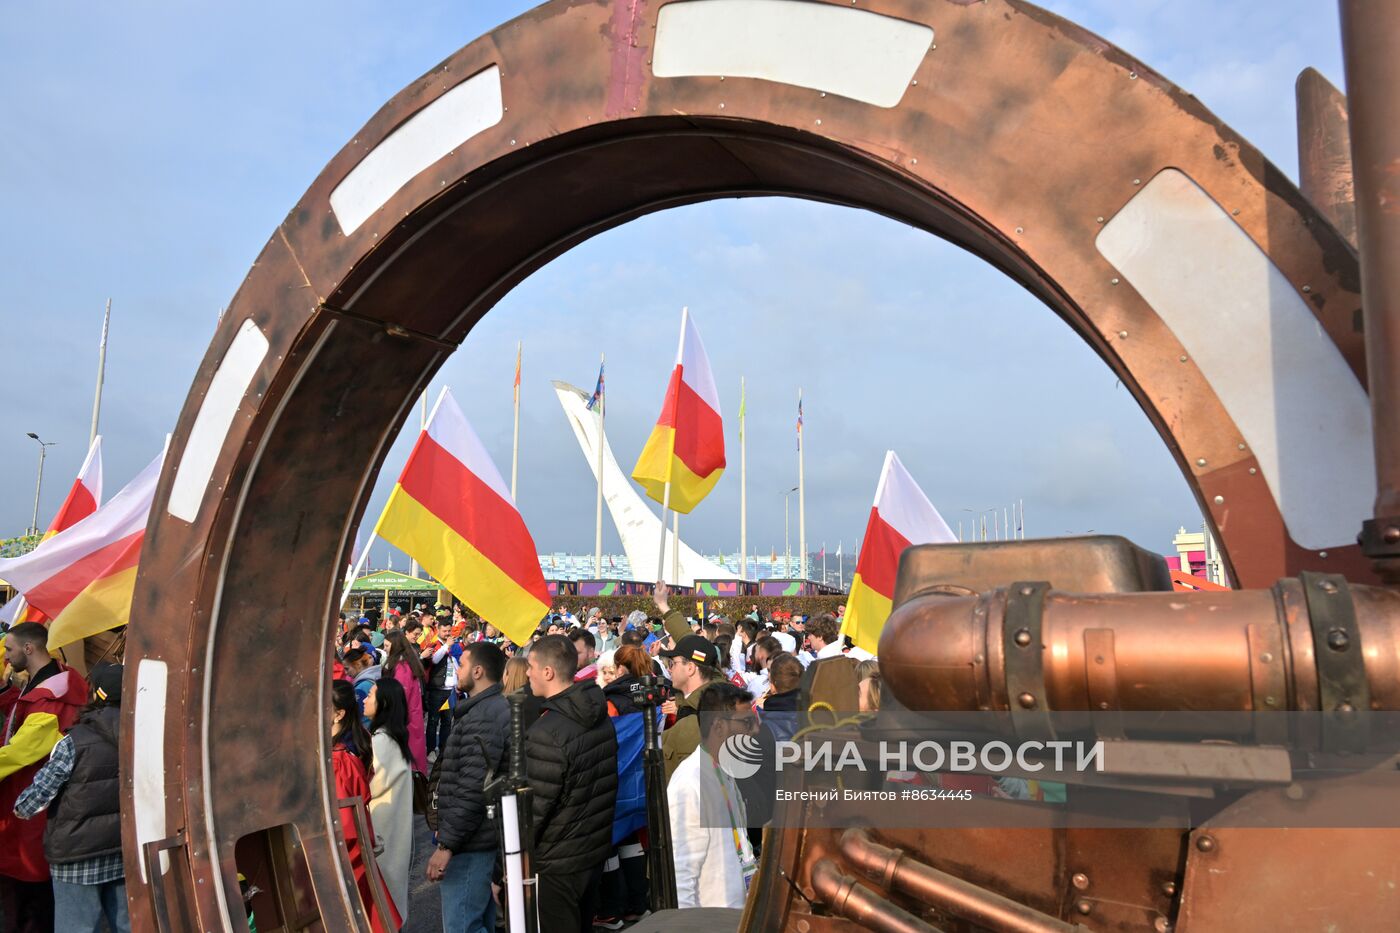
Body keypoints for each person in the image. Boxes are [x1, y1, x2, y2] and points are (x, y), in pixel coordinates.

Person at [13, 662, 127, 933]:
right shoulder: (141, 736)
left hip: (76, 855)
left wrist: (20, 808)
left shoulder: (73, 742)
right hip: (122, 849)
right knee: (126, 925)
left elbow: (36, 799)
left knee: (77, 926)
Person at [524, 635, 618, 933]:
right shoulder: (598, 714)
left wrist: (505, 868)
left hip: (558, 862)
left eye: (530, 667)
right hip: (589, 853)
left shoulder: (547, 731)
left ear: (548, 672)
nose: (527, 674)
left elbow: (533, 812)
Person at [0, 622, 88, 932]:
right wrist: (5, 692)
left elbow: (21, 751)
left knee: (28, 898)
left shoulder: (49, 698)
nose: (6, 657)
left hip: (29, 806)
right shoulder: (52, 680)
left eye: (9, 649)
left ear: (28, 648)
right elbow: (23, 713)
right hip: (29, 804)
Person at [428, 642, 510, 933]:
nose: (457, 670)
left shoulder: (484, 716)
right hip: (476, 838)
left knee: (463, 925)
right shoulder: (483, 710)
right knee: (476, 922)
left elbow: (473, 787)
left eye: (461, 664)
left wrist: (447, 845)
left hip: (471, 842)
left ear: (478, 670)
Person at [668, 683, 759, 908]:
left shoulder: (724, 771)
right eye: (746, 722)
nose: (755, 730)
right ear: (719, 727)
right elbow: (681, 879)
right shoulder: (690, 783)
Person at [330, 680, 400, 933]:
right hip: (358, 847)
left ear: (339, 714)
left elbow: (344, 825)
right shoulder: (356, 742)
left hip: (347, 855)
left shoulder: (338, 759)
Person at [364, 677, 414, 923]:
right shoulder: (394, 738)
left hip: (381, 830)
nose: (364, 699)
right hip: (395, 829)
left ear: (383, 702)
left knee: (382, 898)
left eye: (370, 694)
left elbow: (371, 787)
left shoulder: (381, 741)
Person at [659, 635, 729, 781]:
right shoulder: (716, 704)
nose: (669, 669)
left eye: (673, 663)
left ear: (690, 668)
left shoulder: (696, 723)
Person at [381, 630, 428, 774]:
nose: (384, 649)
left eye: (387, 646)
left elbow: (399, 697)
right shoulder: (406, 663)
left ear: (395, 646)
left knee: (409, 762)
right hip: (411, 718)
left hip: (406, 720)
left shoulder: (402, 667)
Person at [423, 614, 461, 758]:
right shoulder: (434, 645)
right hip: (436, 690)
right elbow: (434, 660)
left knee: (447, 722)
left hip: (451, 691)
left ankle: (443, 749)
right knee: (433, 721)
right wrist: (446, 646)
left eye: (449, 631)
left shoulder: (455, 646)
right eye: (444, 631)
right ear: (438, 630)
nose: (447, 634)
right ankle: (430, 750)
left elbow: (458, 664)